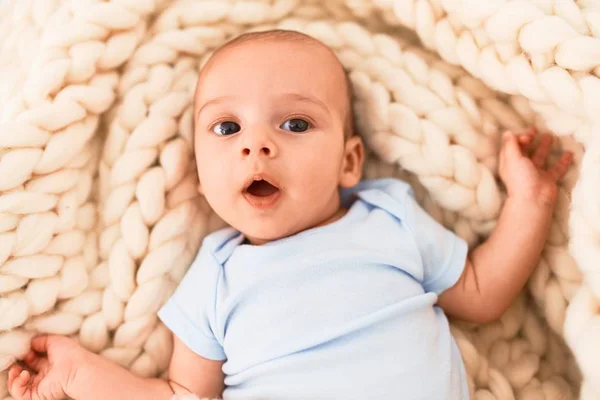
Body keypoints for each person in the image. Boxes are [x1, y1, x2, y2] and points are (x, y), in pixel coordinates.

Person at [7, 29, 573, 400]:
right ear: (201, 174)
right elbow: (182, 395)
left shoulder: (388, 218)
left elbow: (481, 291)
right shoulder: (216, 277)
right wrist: (80, 374)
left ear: (350, 161)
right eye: (227, 129)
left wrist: (531, 201)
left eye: (295, 124)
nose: (257, 145)